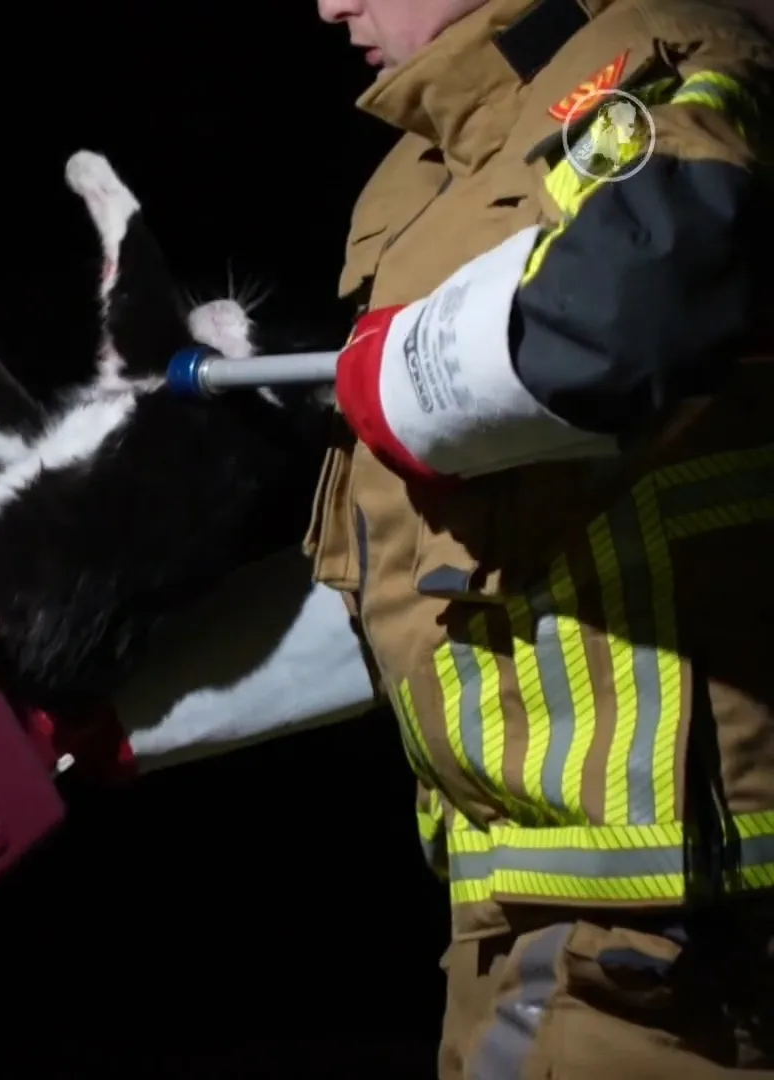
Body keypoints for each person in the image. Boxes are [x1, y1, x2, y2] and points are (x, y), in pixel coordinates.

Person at [310, 0, 774, 1073]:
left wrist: (421, 376)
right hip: (515, 918)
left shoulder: (679, 51)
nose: (332, 5)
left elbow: (618, 321)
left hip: (681, 936)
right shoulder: (412, 179)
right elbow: (412, 574)